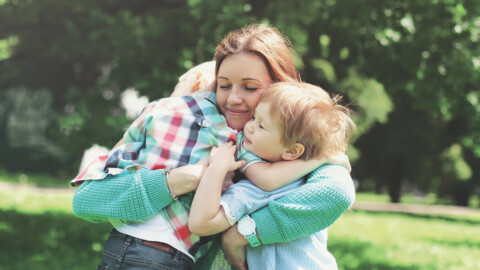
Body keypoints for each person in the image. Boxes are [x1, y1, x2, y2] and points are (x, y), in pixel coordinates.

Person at [71, 24, 356, 270]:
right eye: (223, 85)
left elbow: (337, 192)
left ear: (278, 89)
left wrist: (243, 235)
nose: (233, 99)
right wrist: (179, 179)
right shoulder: (193, 125)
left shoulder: (305, 141)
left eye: (250, 88)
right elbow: (86, 199)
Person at [188, 82, 355, 270]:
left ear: (292, 151)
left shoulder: (258, 192)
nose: (249, 127)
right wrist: (322, 159)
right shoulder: (311, 182)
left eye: (261, 125)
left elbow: (200, 223)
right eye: (253, 117)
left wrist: (217, 168)